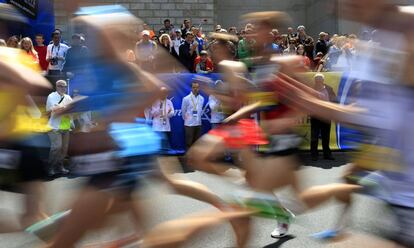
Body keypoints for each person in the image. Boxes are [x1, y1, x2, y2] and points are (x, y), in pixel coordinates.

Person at [46, 80, 73, 176]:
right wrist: (63, 107)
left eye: (65, 86)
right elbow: (52, 110)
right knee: (56, 147)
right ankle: (50, 167)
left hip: (65, 126)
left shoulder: (68, 97)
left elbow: (71, 109)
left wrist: (63, 108)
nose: (63, 88)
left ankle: (60, 166)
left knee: (64, 149)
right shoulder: (51, 96)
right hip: (54, 127)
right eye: (61, 86)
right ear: (56, 86)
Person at [310, 73, 336, 161]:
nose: (318, 81)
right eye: (317, 80)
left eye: (320, 80)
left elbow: (335, 101)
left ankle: (327, 154)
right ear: (315, 81)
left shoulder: (329, 89)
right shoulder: (311, 90)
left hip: (326, 116)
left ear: (323, 80)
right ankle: (314, 155)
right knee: (314, 137)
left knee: (326, 137)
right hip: (315, 117)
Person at [181, 81, 204, 150]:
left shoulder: (202, 98)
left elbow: (200, 110)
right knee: (189, 142)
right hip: (189, 124)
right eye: (194, 87)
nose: (195, 89)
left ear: (199, 88)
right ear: (191, 88)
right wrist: (187, 120)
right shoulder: (186, 98)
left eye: (197, 87)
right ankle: (188, 158)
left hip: (198, 123)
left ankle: (195, 158)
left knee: (197, 143)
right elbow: (183, 111)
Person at [151, 87, 175, 151]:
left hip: (166, 126)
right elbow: (152, 114)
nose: (163, 94)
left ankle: (166, 154)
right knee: (158, 145)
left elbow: (172, 113)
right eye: (162, 93)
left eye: (165, 93)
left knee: (166, 145)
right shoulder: (155, 102)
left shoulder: (169, 102)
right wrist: (160, 109)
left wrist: (169, 113)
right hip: (157, 126)